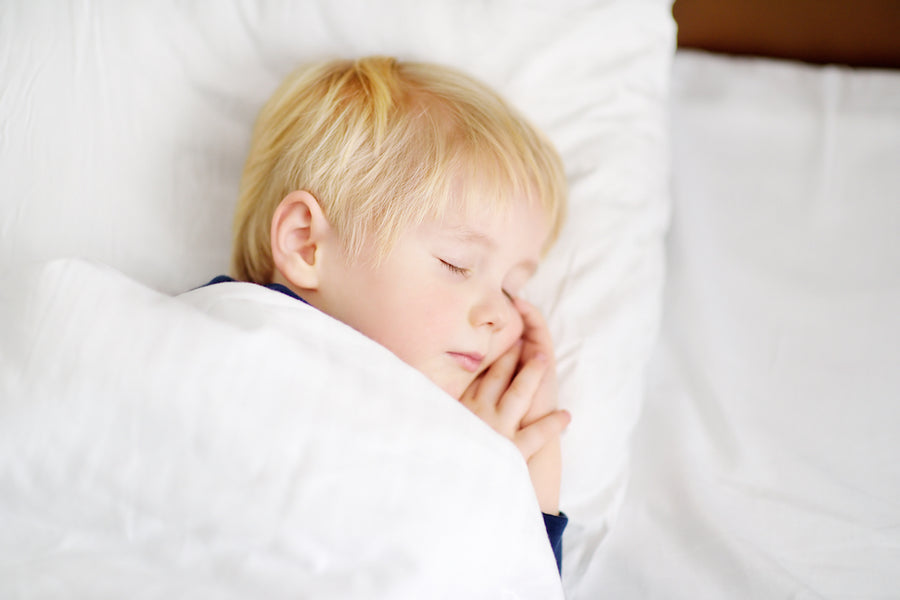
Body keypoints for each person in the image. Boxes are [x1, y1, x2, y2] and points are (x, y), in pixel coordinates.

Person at [207, 56, 571, 573]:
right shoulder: (222, 346)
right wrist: (461, 467)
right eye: (457, 263)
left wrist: (528, 482)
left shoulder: (468, 435)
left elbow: (521, 582)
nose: (499, 316)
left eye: (514, 290)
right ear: (307, 244)